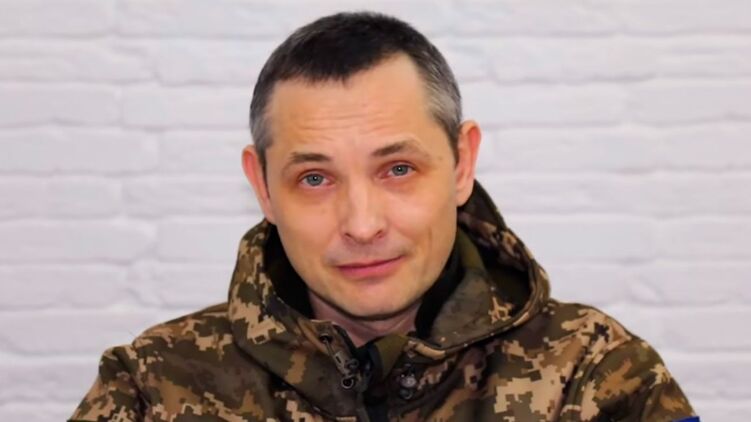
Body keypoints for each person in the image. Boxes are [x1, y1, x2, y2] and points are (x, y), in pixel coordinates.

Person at [70, 11, 697, 422]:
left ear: (461, 163)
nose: (362, 224)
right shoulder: (152, 386)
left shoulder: (595, 375)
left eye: (397, 169)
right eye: (315, 179)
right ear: (261, 187)